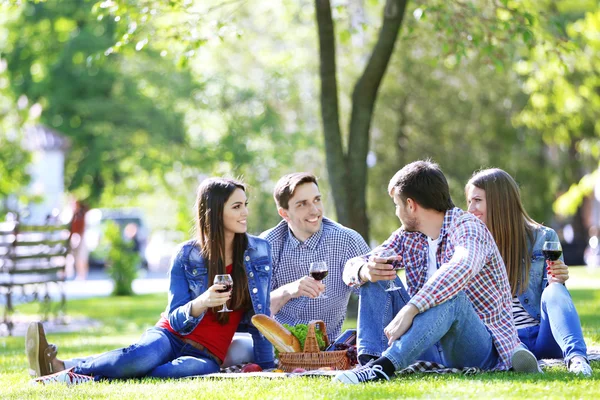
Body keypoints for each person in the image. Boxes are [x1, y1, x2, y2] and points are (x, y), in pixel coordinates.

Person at [26, 178, 275, 385]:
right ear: (215, 211)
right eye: (237, 206)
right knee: (139, 358)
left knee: (169, 373)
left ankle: (75, 373)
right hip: (170, 336)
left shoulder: (259, 251)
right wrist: (201, 302)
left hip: (208, 353)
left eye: (245, 205)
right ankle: (59, 370)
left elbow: (260, 318)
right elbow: (175, 317)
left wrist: (267, 367)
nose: (245, 213)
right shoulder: (186, 255)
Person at [334, 160, 536, 385]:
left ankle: (384, 367)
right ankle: (369, 364)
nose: (396, 212)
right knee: (376, 270)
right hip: (425, 340)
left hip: (475, 346)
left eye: (396, 205)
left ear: (411, 205)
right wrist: (364, 270)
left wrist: (412, 308)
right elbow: (353, 265)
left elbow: (461, 267)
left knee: (453, 297)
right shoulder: (408, 235)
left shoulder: (468, 227)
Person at [466, 168, 592, 376]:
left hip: (543, 334)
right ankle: (519, 358)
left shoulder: (543, 237)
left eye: (477, 200)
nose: (471, 209)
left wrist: (557, 281)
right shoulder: (471, 245)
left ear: (500, 201)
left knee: (555, 291)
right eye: (470, 201)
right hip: (503, 339)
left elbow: (553, 300)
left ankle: (577, 359)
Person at [260, 172, 370, 340]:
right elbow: (256, 313)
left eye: (317, 200)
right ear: (284, 213)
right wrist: (288, 291)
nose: (315, 210)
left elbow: (374, 295)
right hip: (279, 347)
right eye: (302, 204)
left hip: (330, 348)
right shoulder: (266, 245)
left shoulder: (347, 240)